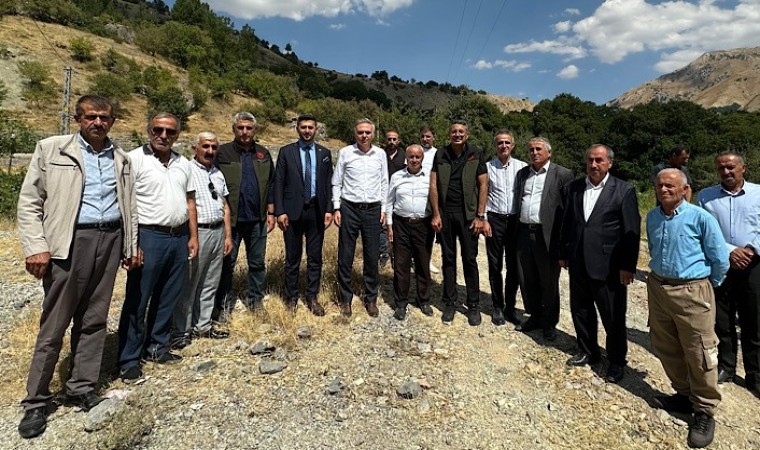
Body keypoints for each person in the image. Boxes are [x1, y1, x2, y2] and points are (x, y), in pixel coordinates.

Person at [15, 95, 139, 439]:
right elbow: (29, 201)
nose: (98, 122)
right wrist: (36, 247)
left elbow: (129, 205)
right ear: (78, 118)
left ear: (112, 121)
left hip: (110, 239)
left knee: (94, 320)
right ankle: (36, 401)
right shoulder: (52, 149)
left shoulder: (121, 158)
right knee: (54, 324)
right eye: (91, 117)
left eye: (104, 117)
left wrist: (130, 246)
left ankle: (81, 387)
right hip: (69, 242)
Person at [647, 168, 729, 449]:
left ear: (684, 190)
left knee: (699, 351)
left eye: (670, 185)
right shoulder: (653, 217)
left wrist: (705, 287)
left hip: (692, 291)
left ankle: (704, 410)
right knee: (665, 344)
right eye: (660, 185)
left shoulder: (700, 218)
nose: (664, 189)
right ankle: (683, 395)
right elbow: (653, 249)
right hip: (658, 288)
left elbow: (720, 259)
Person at [118, 112, 199, 383]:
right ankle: (129, 358)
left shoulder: (183, 163)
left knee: (168, 296)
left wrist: (193, 236)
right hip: (148, 237)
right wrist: (132, 243)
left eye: (170, 132)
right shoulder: (133, 159)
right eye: (158, 130)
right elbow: (124, 204)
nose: (163, 136)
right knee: (138, 299)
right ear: (148, 130)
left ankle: (157, 347)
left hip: (178, 237)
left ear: (177, 135)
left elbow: (190, 201)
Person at [559, 144, 640, 383]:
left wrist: (628, 266)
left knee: (613, 316)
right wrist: (563, 252)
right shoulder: (574, 188)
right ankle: (588, 350)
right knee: (581, 309)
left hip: (609, 266)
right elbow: (567, 222)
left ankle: (616, 361)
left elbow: (632, 231)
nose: (594, 165)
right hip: (578, 261)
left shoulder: (623, 190)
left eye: (599, 160)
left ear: (609, 163)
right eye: (590, 160)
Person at [697, 151, 760, 398]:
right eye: (721, 168)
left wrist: (750, 250)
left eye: (731, 167)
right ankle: (726, 366)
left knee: (753, 319)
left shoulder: (758, 193)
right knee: (721, 319)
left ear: (743, 168)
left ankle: (755, 374)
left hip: (754, 264)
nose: (726, 172)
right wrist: (731, 251)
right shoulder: (706, 197)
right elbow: (704, 231)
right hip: (721, 263)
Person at [171, 132, 233, 350]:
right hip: (198, 233)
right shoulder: (186, 170)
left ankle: (203, 326)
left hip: (217, 231)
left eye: (214, 147)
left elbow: (225, 205)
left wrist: (227, 236)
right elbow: (187, 205)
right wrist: (193, 237)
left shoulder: (217, 172)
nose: (210, 151)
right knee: (190, 284)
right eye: (205, 146)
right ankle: (181, 331)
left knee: (210, 283)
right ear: (195, 148)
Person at [214, 112, 276, 319]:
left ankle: (255, 301)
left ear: (254, 130)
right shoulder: (222, 153)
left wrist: (271, 212)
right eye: (240, 128)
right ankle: (223, 304)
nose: (245, 132)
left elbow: (271, 184)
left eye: (249, 128)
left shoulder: (263, 153)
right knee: (227, 264)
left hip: (257, 220)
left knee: (257, 264)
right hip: (230, 222)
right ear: (234, 129)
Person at [514, 137, 574, 340]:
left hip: (547, 236)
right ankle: (535, 316)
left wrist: (565, 243)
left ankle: (549, 322)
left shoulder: (563, 174)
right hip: (524, 232)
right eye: (531, 149)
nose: (534, 153)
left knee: (548, 281)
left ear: (549, 153)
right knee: (527, 278)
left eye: (538, 149)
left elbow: (568, 210)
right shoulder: (523, 173)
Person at [273, 114, 333, 316]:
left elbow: (328, 183)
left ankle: (312, 297)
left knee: (315, 257)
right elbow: (278, 182)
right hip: (292, 212)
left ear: (316, 129)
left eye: (310, 127)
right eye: (303, 127)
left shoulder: (324, 153)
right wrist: (280, 211)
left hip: (316, 211)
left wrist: (329, 209)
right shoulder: (286, 152)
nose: (307, 130)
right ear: (297, 129)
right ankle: (291, 297)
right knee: (292, 257)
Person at [429, 120, 488, 326]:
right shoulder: (440, 154)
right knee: (448, 259)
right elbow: (433, 185)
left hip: (468, 216)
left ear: (467, 135)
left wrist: (480, 216)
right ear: (449, 134)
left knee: (470, 259)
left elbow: (483, 185)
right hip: (446, 214)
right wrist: (436, 214)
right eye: (454, 131)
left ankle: (473, 305)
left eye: (461, 131)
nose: (457, 134)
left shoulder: (476, 153)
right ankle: (450, 302)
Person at [333, 118, 388, 318]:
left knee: (372, 256)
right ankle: (345, 299)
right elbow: (336, 182)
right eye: (360, 132)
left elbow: (384, 183)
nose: (364, 135)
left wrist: (384, 209)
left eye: (367, 132)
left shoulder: (380, 154)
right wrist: (336, 207)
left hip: (373, 210)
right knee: (345, 255)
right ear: (355, 133)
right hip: (349, 208)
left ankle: (371, 298)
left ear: (373, 134)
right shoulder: (345, 153)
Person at [482, 130, 527, 326]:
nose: (504, 146)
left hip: (516, 220)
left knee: (514, 266)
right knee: (495, 265)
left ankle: (510, 306)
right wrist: (483, 219)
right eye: (500, 143)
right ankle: (497, 306)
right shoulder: (487, 167)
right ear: (496, 146)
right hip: (495, 219)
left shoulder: (522, 167)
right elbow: (482, 193)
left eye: (507, 142)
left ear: (513, 145)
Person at [387, 144, 435, 320]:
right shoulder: (397, 176)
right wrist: (389, 226)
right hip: (401, 224)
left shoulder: (430, 177)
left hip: (423, 225)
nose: (414, 160)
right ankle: (401, 303)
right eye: (411, 157)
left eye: (417, 157)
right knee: (401, 265)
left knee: (423, 263)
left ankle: (423, 300)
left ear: (422, 158)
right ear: (406, 158)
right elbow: (389, 202)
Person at [379, 128, 406, 267]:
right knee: (382, 225)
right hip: (382, 194)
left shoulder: (404, 155)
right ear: (385, 140)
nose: (391, 141)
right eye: (389, 139)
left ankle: (397, 254)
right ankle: (383, 253)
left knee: (398, 226)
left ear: (398, 140)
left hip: (399, 195)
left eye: (394, 139)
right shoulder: (380, 154)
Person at [419, 126, 440, 274]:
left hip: (431, 195)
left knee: (429, 230)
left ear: (433, 137)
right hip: (415, 194)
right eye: (423, 136)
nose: (425, 139)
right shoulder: (414, 150)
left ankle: (427, 260)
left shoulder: (438, 153)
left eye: (428, 136)